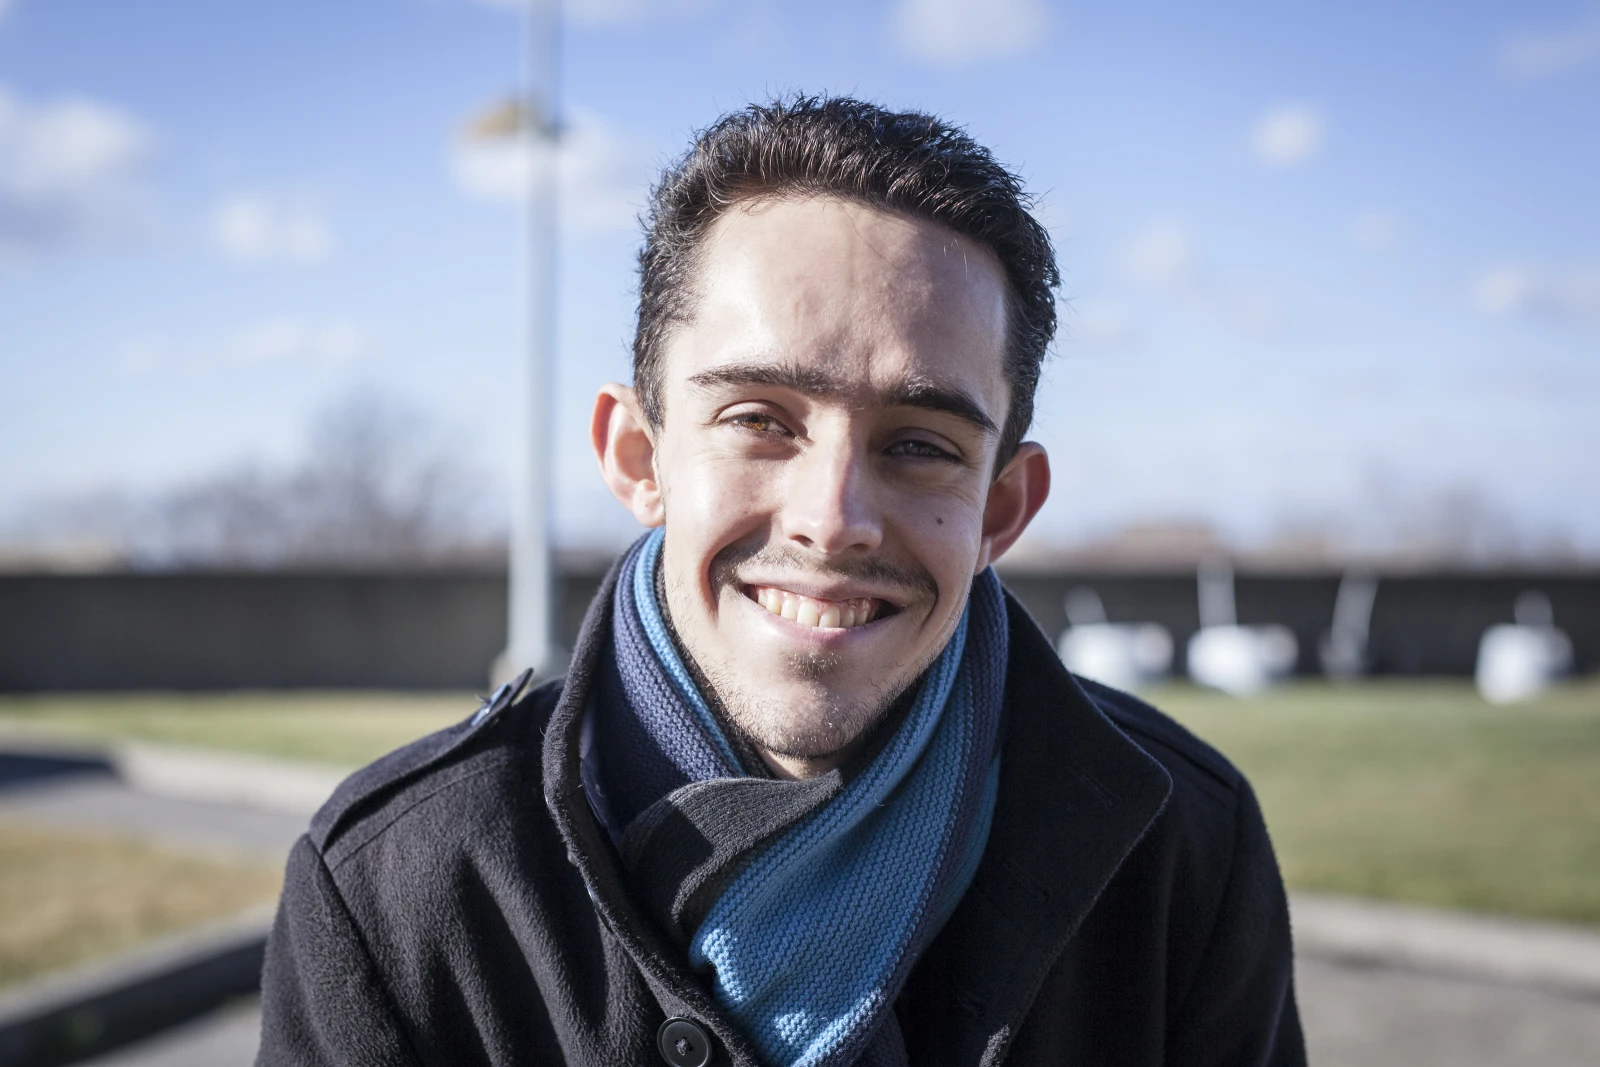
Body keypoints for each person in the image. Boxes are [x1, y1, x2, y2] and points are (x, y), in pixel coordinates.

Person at [257, 95, 1305, 1067]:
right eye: (759, 418)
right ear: (638, 455)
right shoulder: (393, 889)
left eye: (920, 444)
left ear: (1000, 509)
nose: (833, 517)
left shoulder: (1183, 851)